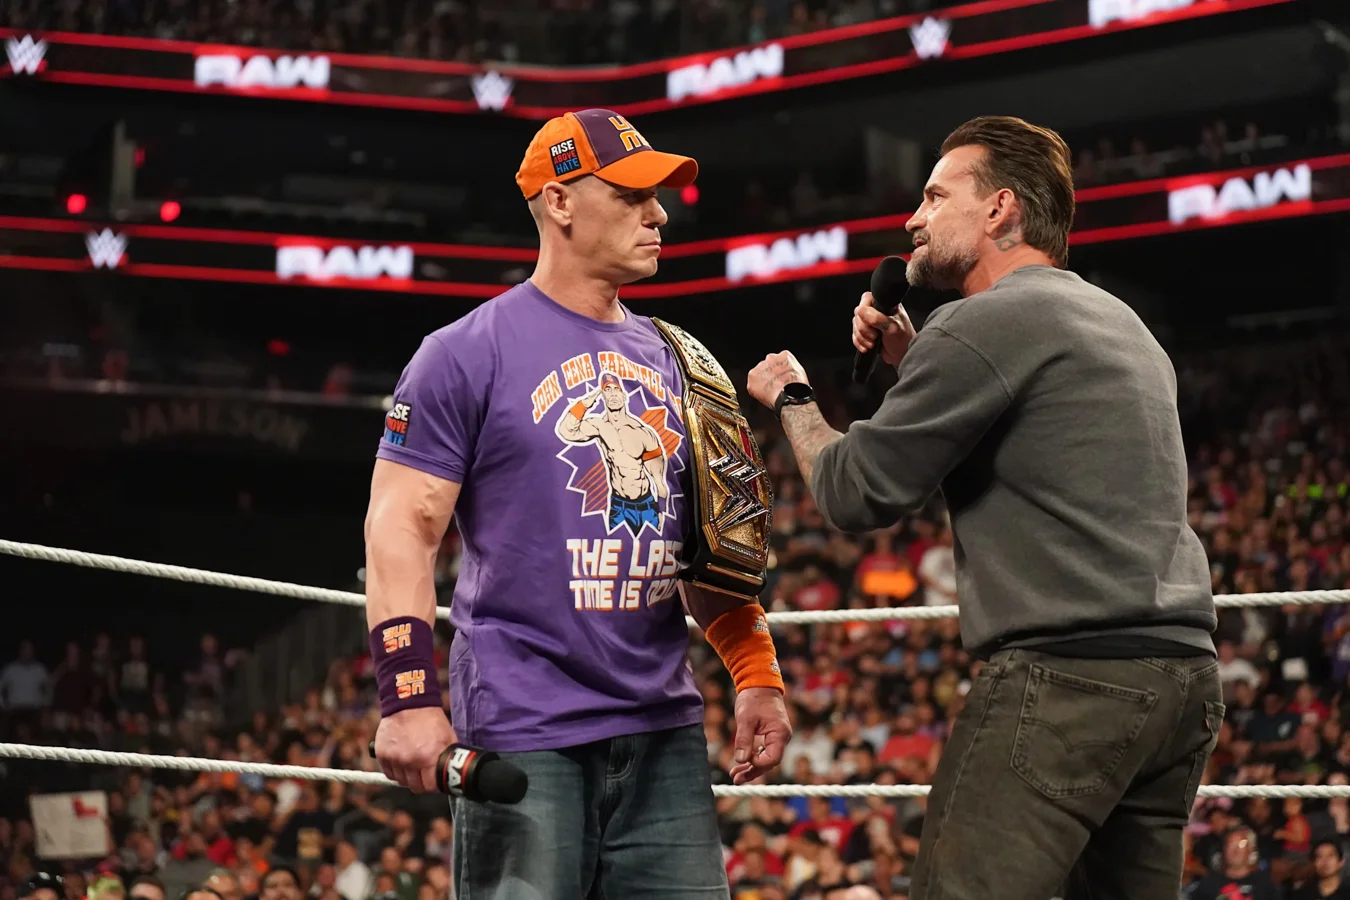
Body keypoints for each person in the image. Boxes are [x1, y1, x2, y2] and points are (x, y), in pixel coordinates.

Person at [745, 115, 1221, 898]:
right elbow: (1033, 452)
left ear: (1001, 209)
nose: (914, 219)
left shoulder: (981, 323)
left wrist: (793, 397)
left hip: (1070, 680)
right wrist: (915, 360)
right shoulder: (1120, 323)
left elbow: (855, 491)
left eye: (936, 197)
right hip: (1180, 678)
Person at [365, 107, 792, 898]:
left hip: (663, 731)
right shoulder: (462, 353)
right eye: (632, 196)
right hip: (525, 729)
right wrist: (408, 694)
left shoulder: (682, 360)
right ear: (560, 201)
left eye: (657, 196)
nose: (659, 214)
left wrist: (756, 674)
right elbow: (401, 527)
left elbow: (711, 549)